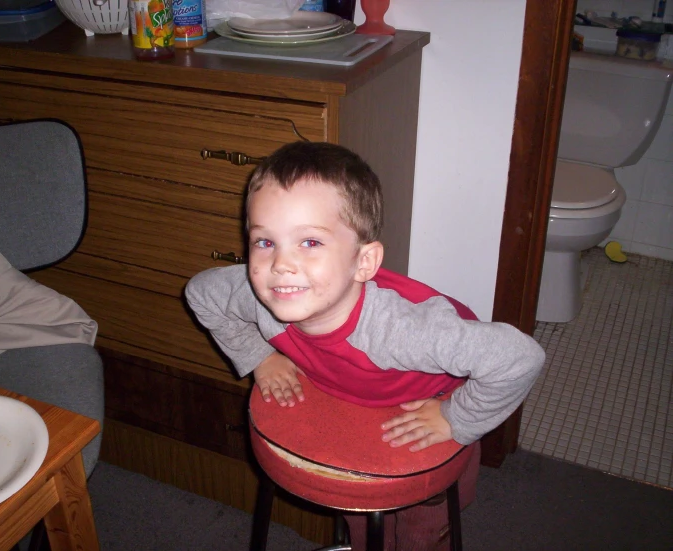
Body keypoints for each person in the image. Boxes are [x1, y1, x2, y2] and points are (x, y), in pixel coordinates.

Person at [186, 141, 545, 549]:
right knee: (361, 524)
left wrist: (455, 418)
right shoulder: (260, 295)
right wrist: (259, 356)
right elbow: (201, 292)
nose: (280, 265)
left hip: (434, 393)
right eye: (265, 242)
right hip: (355, 392)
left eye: (310, 242)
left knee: (424, 529)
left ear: (364, 262)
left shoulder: (400, 330)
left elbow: (520, 357)